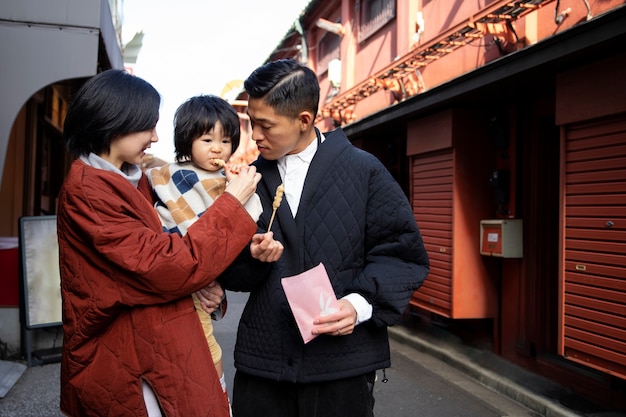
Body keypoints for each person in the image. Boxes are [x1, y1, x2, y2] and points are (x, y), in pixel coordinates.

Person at [56, 69, 277, 417]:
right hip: (123, 353)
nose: (155, 137)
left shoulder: (130, 180)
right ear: (114, 122)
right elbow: (163, 265)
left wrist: (202, 284)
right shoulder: (89, 189)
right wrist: (232, 203)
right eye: (147, 126)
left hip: (147, 344)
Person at [217, 59, 430, 417]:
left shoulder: (364, 171)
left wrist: (359, 305)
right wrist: (252, 258)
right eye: (253, 122)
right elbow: (229, 271)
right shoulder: (249, 179)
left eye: (265, 125)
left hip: (342, 365)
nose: (254, 135)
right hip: (264, 361)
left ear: (304, 120)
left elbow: (403, 255)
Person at [147, 94, 266, 410]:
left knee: (201, 346)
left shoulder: (228, 182)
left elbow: (232, 233)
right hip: (174, 274)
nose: (218, 148)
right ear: (187, 140)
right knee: (201, 350)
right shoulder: (165, 176)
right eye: (207, 139)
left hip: (200, 277)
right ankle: (217, 399)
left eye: (226, 140)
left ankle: (214, 397)